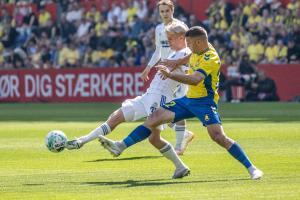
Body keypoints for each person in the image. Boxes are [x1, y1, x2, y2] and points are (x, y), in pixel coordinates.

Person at [99, 26, 264, 180]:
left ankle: (252, 168)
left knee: (218, 137)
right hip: (188, 100)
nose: (188, 47)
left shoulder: (211, 58)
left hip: (204, 103)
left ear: (199, 42)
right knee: (154, 118)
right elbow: (189, 56)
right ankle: (121, 146)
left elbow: (194, 80)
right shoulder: (199, 48)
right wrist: (175, 62)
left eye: (190, 43)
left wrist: (170, 74)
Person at [66, 0, 194, 155]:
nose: (165, 14)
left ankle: (179, 148)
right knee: (118, 117)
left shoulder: (181, 31)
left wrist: (175, 64)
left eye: (167, 11)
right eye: (162, 11)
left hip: (170, 83)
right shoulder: (160, 29)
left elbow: (191, 51)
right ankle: (82, 140)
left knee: (155, 133)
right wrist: (148, 68)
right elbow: (158, 51)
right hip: (154, 88)